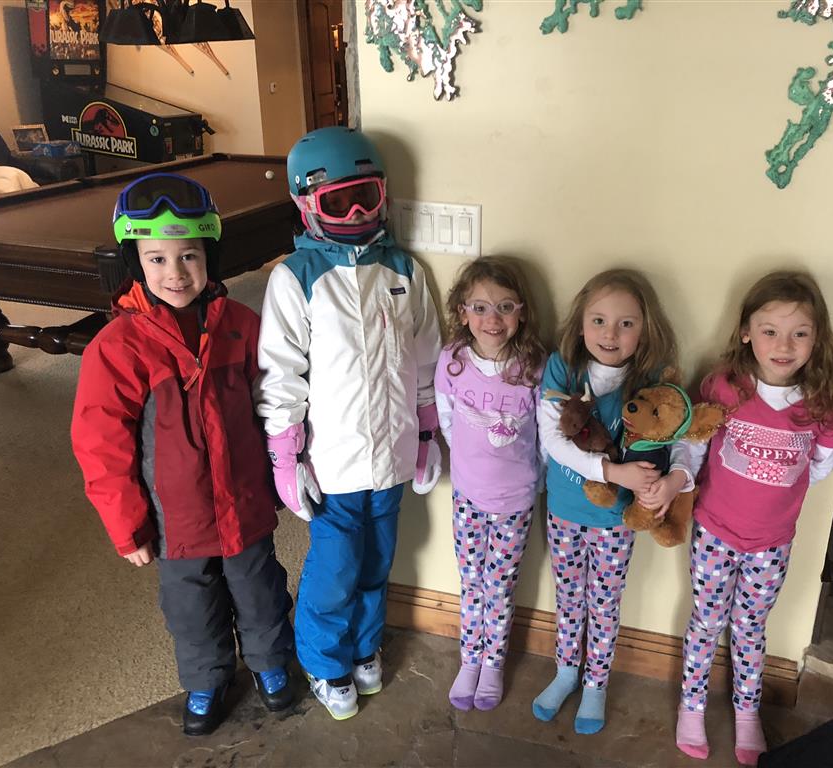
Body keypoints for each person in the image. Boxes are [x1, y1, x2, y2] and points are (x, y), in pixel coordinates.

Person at [70, 173, 295, 737]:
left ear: (209, 257)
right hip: (176, 521)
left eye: (189, 256)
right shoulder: (117, 348)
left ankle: (269, 663)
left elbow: (276, 405)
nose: (175, 273)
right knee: (192, 608)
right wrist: (128, 526)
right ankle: (206, 678)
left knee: (261, 591)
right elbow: (100, 445)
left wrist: (282, 479)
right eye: (157, 259)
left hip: (245, 506)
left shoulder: (242, 327)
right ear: (135, 263)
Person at [256, 127, 443, 721]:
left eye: (366, 197)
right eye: (339, 203)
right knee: (335, 569)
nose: (357, 213)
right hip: (333, 463)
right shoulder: (296, 278)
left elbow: (426, 360)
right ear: (307, 206)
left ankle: (364, 648)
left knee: (377, 562)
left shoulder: (404, 271)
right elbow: (281, 375)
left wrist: (427, 431)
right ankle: (324, 662)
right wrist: (285, 455)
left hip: (393, 454)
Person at [671, 271, 833, 765]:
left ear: (817, 338)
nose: (784, 345)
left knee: (750, 628)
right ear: (747, 332)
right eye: (770, 330)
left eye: (799, 333)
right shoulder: (724, 387)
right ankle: (692, 705)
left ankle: (747, 711)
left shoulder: (824, 402)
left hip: (772, 542)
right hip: (714, 532)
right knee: (706, 621)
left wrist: (776, 487)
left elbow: (821, 465)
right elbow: (693, 445)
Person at [533, 268, 691, 735]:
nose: (610, 334)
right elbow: (552, 439)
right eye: (599, 320)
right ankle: (566, 672)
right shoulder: (563, 368)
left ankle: (595, 684)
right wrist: (612, 471)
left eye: (626, 324)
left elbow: (681, 437)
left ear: (645, 330)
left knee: (604, 605)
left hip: (616, 520)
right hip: (564, 511)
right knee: (568, 599)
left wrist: (672, 482)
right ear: (581, 324)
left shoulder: (653, 380)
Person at [434, 256, 547, 711]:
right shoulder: (452, 361)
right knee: (471, 582)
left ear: (521, 312)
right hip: (467, 494)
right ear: (463, 312)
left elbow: (545, 434)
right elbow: (446, 418)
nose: (492, 319)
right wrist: (466, 464)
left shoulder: (535, 367)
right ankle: (470, 660)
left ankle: (493, 663)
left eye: (504, 306)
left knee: (498, 588)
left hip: (514, 499)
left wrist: (535, 482)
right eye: (479, 307)